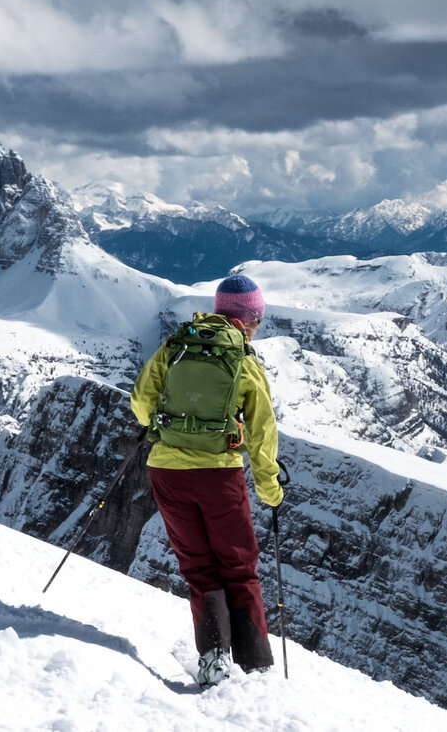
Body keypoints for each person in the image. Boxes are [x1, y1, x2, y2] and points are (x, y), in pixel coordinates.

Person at [130, 274, 283, 687]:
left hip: (166, 472)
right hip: (219, 475)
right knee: (239, 567)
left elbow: (141, 402)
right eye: (258, 320)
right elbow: (262, 430)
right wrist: (269, 487)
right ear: (250, 319)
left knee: (199, 568)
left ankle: (214, 659)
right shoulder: (244, 361)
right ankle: (256, 666)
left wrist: (169, 429)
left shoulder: (177, 345)